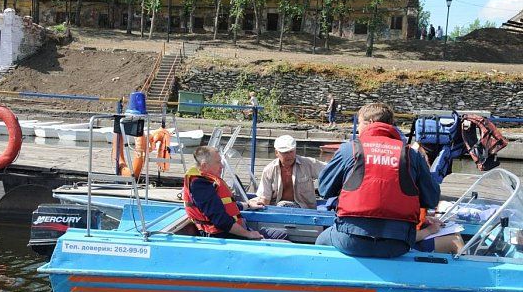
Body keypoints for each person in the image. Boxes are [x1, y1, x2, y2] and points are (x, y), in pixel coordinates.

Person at [315, 103, 440, 258]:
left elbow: (324, 188)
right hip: (398, 244)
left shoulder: (350, 149)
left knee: (321, 242)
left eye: (359, 124)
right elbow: (432, 198)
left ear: (370, 123)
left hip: (351, 239)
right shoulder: (411, 155)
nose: (358, 129)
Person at [183, 146, 287, 240]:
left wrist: (248, 205)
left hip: (236, 230)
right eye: (218, 162)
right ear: (204, 166)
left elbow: (225, 205)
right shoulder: (200, 186)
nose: (222, 166)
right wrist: (248, 234)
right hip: (223, 236)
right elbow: (220, 220)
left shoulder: (208, 182)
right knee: (285, 244)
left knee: (282, 235)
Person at [256, 135, 326, 209]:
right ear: (277, 153)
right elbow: (265, 198)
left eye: (291, 151)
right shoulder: (268, 170)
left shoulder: (309, 164)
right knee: (280, 204)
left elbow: (331, 171)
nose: (289, 155)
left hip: (306, 209)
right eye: (285, 152)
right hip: (277, 209)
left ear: (295, 150)